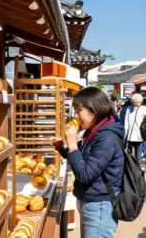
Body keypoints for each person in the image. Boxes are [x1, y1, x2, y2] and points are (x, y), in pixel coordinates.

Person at [55, 87, 125, 238]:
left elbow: (85, 174)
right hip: (91, 201)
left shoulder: (107, 138)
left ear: (94, 110)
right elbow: (82, 159)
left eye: (79, 110)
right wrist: (63, 148)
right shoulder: (94, 131)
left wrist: (73, 144)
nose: (76, 116)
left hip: (100, 205)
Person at [125, 93, 146, 163]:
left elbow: (126, 125)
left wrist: (125, 136)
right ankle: (138, 169)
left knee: (130, 156)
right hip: (140, 135)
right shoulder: (144, 109)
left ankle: (132, 169)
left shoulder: (129, 109)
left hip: (130, 135)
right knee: (138, 156)